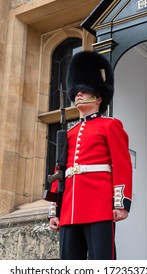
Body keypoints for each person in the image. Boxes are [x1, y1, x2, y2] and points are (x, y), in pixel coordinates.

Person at [49, 51, 132, 260]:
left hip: (99, 206)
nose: (78, 94)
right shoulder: (68, 133)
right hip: (69, 209)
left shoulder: (110, 125)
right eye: (77, 91)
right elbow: (59, 172)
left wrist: (120, 203)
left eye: (84, 90)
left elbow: (121, 165)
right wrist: (55, 210)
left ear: (98, 97)